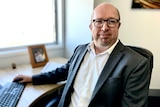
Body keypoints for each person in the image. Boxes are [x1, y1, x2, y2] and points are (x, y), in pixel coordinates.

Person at [13, 3, 151, 107]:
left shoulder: (136, 63)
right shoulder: (80, 50)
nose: (104, 27)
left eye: (111, 21)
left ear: (118, 26)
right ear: (91, 26)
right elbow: (63, 72)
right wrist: (32, 78)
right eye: (99, 21)